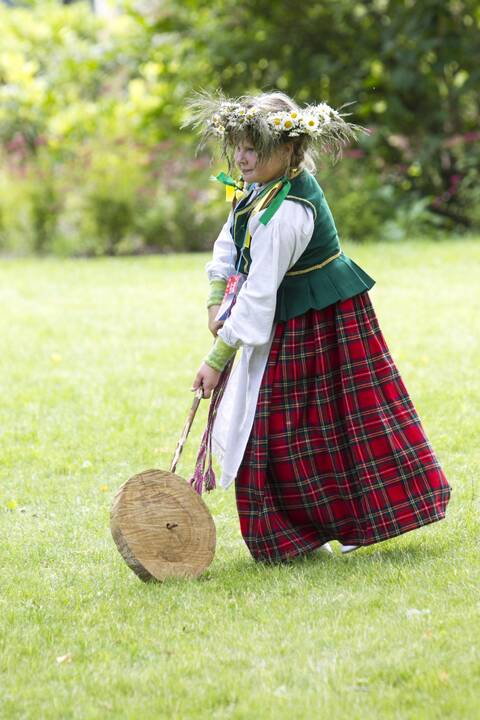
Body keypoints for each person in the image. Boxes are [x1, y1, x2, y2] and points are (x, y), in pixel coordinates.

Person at [184, 90, 451, 563]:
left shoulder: (288, 211)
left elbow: (261, 295)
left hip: (321, 322)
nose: (243, 158)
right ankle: (298, 534)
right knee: (293, 428)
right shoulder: (258, 189)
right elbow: (229, 243)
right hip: (289, 320)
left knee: (316, 426)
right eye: (239, 146)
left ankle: (308, 531)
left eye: (255, 147)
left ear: (288, 150)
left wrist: (216, 360)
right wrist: (213, 302)